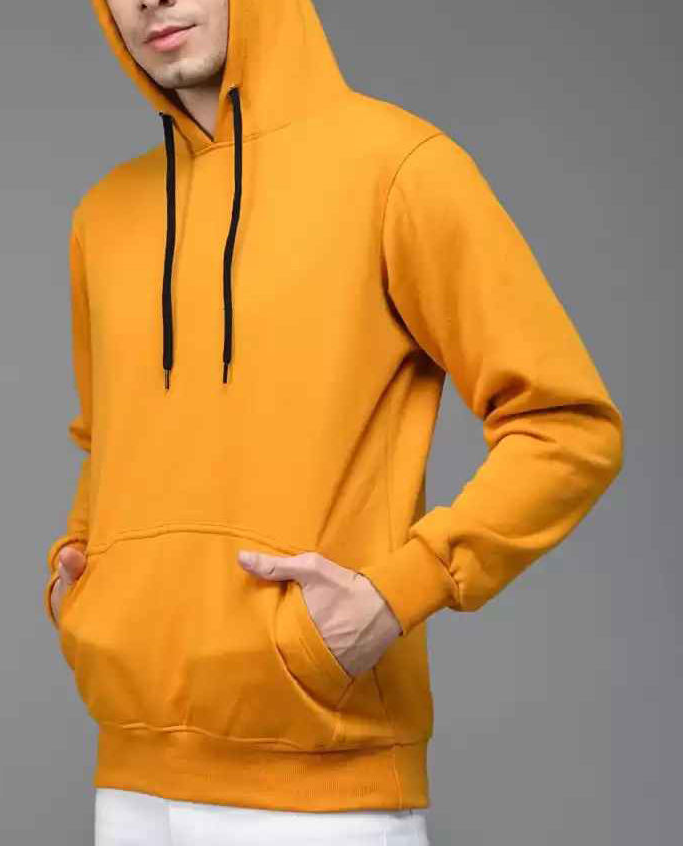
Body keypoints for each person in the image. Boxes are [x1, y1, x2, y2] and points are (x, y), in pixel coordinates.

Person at [43, 1, 624, 844]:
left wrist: (398, 592)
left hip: (323, 779)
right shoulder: (104, 217)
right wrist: (84, 579)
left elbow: (568, 425)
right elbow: (109, 438)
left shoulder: (398, 168)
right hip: (130, 775)